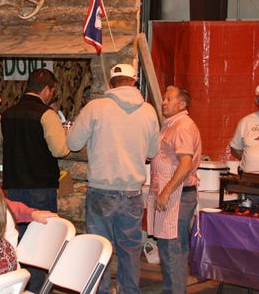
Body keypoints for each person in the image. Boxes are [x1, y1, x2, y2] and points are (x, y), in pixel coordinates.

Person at [66, 63, 160, 294]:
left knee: (99, 249)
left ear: (110, 83)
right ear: (134, 81)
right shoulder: (148, 111)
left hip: (101, 190)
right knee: (130, 250)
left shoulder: (96, 107)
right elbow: (152, 152)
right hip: (132, 192)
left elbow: (73, 143)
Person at [145, 86, 201, 294]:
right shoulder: (171, 125)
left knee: (173, 250)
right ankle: (172, 290)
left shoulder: (183, 126)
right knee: (168, 249)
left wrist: (166, 192)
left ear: (182, 104)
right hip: (171, 196)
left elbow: (185, 164)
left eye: (169, 99)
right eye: (164, 99)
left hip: (177, 197)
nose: (164, 102)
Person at [1, 68, 69, 212]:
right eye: (52, 91)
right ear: (45, 89)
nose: (52, 95)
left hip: (13, 184)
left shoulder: (7, 114)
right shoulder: (47, 114)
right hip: (40, 187)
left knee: (18, 232)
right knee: (41, 232)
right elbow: (59, 150)